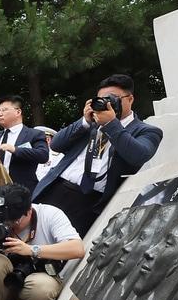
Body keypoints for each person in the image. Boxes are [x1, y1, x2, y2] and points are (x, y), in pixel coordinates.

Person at [33, 74, 163, 235]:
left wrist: (111, 124)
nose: (107, 103)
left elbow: (138, 155)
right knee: (26, 237)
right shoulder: (89, 125)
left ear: (130, 99)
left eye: (113, 98)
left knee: (61, 248)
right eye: (102, 99)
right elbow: (56, 144)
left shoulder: (147, 131)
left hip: (89, 202)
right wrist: (84, 122)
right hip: (55, 188)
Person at [0, 96, 50, 190]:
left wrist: (15, 149)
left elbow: (43, 155)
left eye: (4, 110)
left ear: (18, 112)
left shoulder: (34, 134)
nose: (0, 114)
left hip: (21, 190)